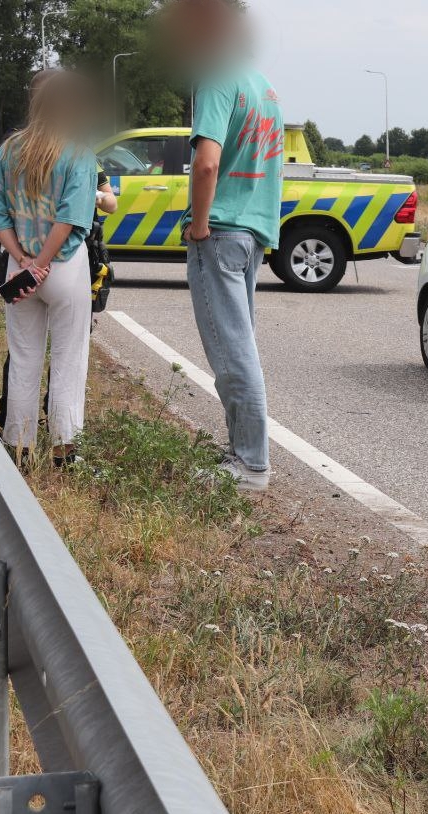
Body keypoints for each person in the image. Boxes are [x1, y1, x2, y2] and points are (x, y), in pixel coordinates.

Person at [167, 0, 283, 491]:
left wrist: (197, 226)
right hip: (252, 230)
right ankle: (242, 451)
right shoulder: (263, 87)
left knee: (232, 353)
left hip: (219, 231)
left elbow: (207, 163)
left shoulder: (215, 78)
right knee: (240, 346)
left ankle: (251, 465)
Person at [0, 71, 102, 468]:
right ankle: (65, 451)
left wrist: (22, 259)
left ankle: (18, 447)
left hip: (18, 271)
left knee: (23, 357)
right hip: (64, 268)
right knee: (70, 358)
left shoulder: (7, 152)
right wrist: (43, 263)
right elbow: (69, 219)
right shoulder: (78, 155)